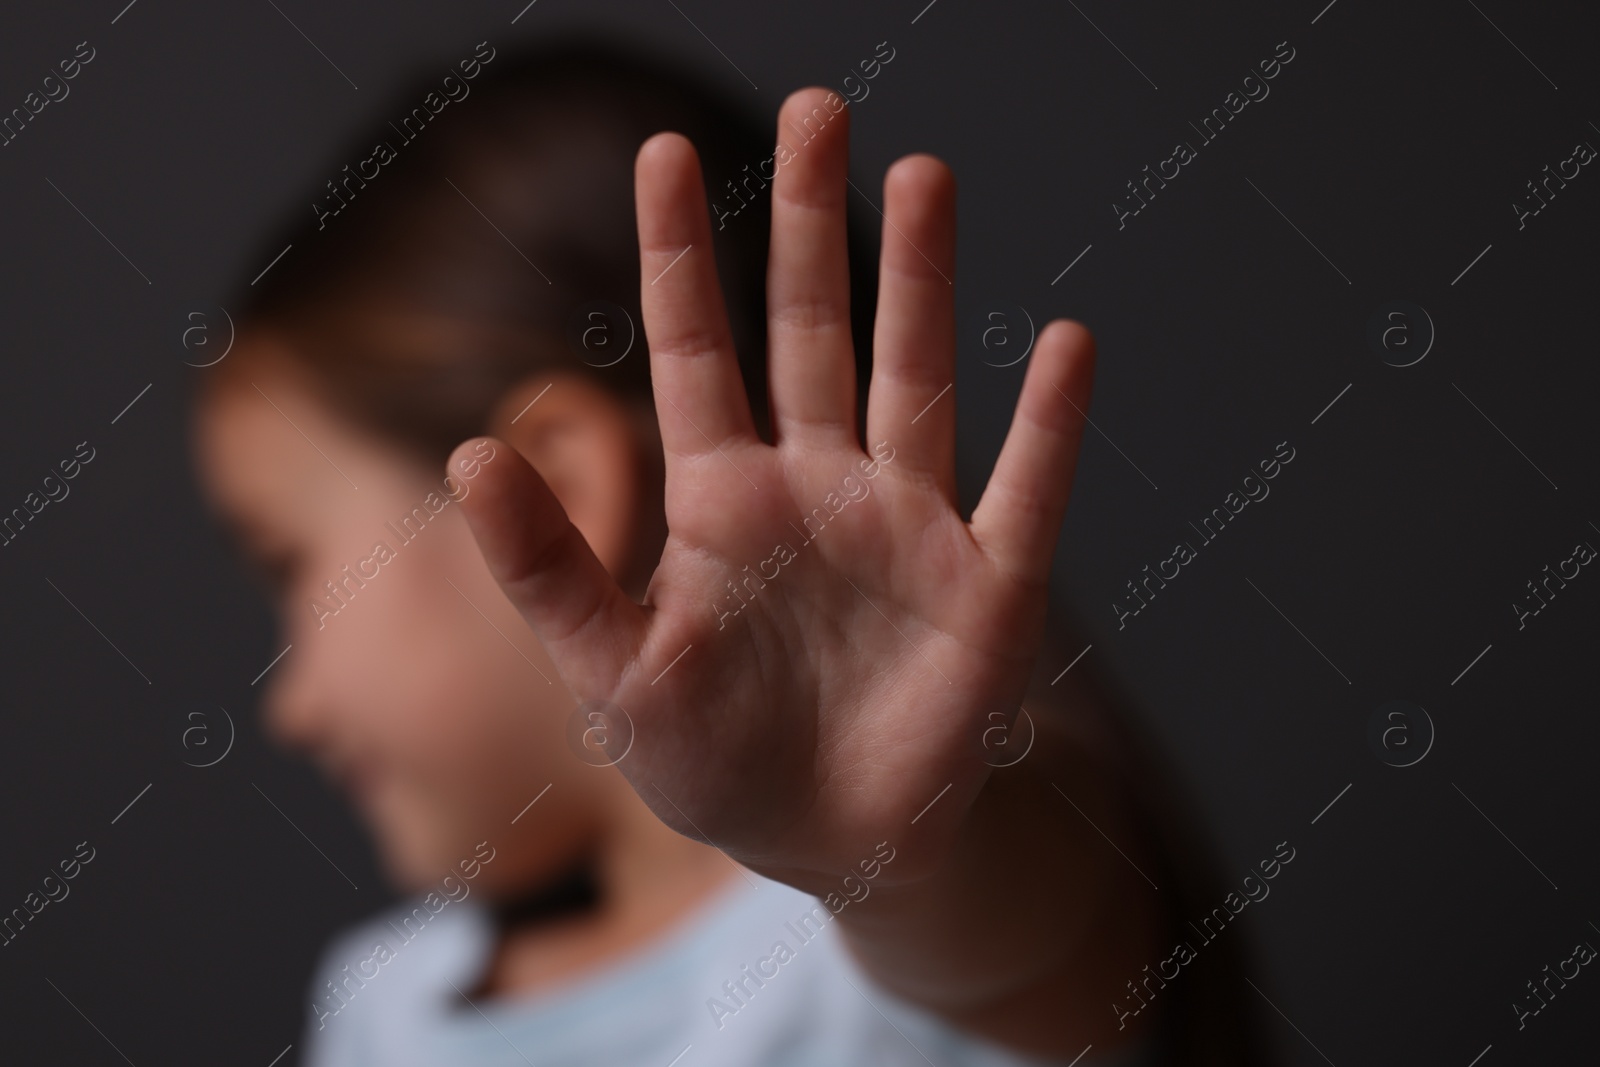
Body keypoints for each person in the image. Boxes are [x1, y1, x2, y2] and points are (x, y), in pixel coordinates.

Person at [193, 37, 1271, 1066]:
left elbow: (1035, 935)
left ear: (556, 487)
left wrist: (894, 866)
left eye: (287, 563)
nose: (287, 705)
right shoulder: (381, 1004)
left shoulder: (879, 954)